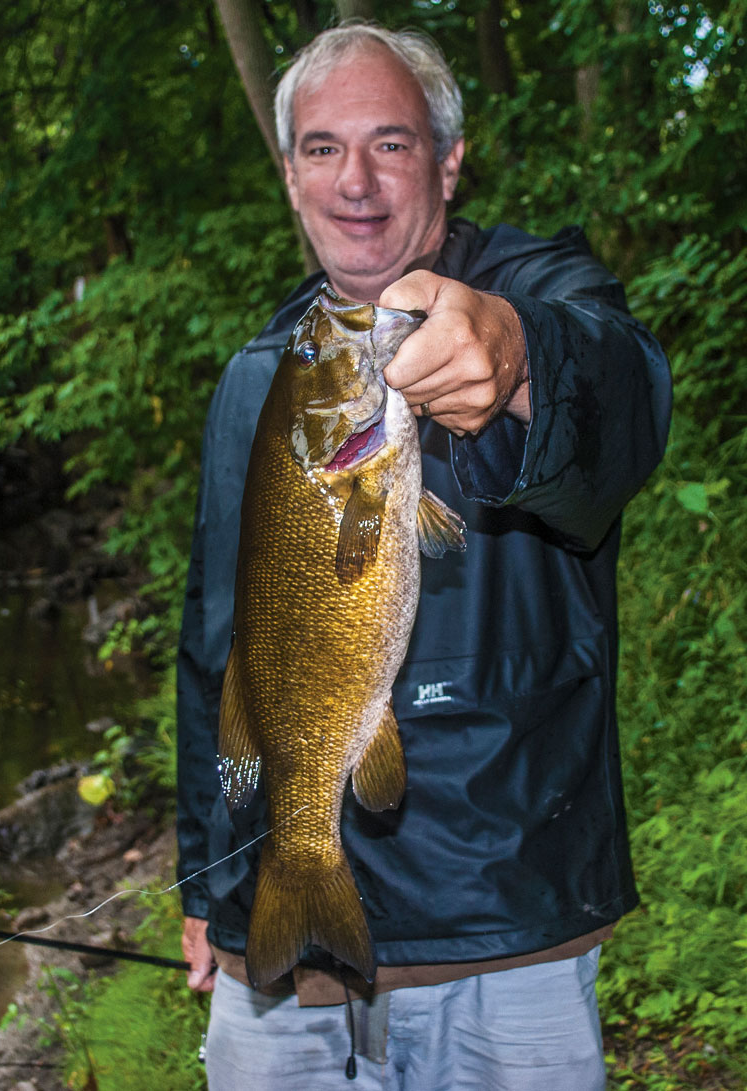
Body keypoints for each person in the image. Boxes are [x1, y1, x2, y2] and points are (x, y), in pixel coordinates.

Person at [176, 21, 671, 1091]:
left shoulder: (539, 289)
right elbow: (216, 648)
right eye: (321, 147)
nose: (353, 180)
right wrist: (196, 877)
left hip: (500, 918)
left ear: (447, 161)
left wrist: (521, 356)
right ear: (289, 171)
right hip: (277, 925)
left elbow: (620, 402)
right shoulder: (261, 373)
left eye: (390, 144)